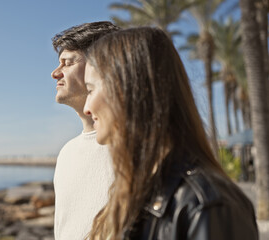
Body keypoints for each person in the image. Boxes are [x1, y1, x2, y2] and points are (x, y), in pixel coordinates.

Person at [83, 27, 258, 240]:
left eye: (90, 90)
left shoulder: (206, 205)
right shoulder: (132, 192)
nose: (87, 108)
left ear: (124, 89)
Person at [50, 21, 120, 240]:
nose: (55, 73)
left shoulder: (140, 150)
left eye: (67, 63)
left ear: (100, 67)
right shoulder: (66, 154)